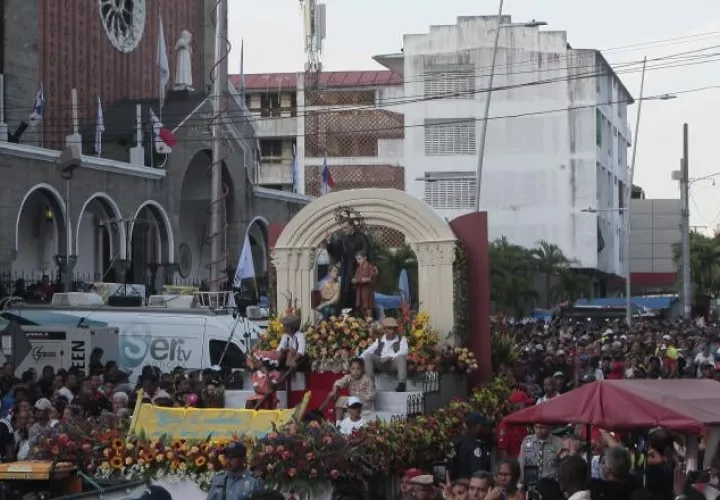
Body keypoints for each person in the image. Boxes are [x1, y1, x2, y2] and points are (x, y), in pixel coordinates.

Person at [322, 215, 372, 310]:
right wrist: (329, 241)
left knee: (359, 296)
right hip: (346, 270)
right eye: (342, 228)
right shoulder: (342, 238)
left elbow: (367, 255)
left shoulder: (361, 237)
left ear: (352, 226)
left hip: (358, 270)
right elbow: (336, 252)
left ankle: (359, 318)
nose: (343, 230)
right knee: (345, 293)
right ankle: (346, 318)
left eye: (345, 228)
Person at [360, 317, 409, 392]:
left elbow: (404, 351)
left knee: (401, 357)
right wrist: (357, 359)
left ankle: (401, 384)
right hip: (381, 362)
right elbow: (368, 351)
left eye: (393, 328)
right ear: (385, 329)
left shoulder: (402, 339)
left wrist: (391, 357)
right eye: (389, 328)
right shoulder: (379, 340)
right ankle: (371, 384)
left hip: (393, 363)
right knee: (368, 356)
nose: (391, 331)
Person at [329, 357, 376, 425]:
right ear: (350, 369)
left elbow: (372, 395)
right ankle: (338, 423)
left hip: (365, 402)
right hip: (352, 400)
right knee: (340, 399)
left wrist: (362, 397)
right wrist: (334, 391)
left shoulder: (367, 379)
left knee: (353, 402)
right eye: (353, 369)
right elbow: (338, 383)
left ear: (362, 369)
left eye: (358, 369)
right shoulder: (349, 377)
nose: (355, 371)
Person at [449, 412, 494, 481]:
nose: (485, 428)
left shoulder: (459, 441)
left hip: (458, 484)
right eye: (483, 425)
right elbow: (478, 473)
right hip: (471, 485)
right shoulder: (476, 445)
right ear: (478, 426)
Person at [351, 251, 378, 321]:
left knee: (368, 307)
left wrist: (360, 280)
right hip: (359, 291)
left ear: (365, 258)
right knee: (361, 307)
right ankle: (367, 322)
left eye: (359, 259)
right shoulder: (358, 268)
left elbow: (371, 278)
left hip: (367, 291)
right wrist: (354, 280)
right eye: (357, 259)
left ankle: (370, 324)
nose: (358, 261)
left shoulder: (370, 267)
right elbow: (354, 278)